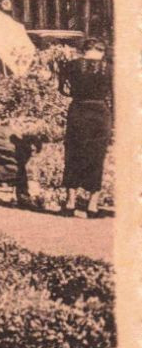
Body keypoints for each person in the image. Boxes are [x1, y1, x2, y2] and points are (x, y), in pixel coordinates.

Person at [59, 38, 112, 217]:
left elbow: (62, 89)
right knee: (97, 156)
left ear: (84, 50)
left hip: (78, 111)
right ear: (101, 51)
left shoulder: (72, 65)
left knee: (73, 154)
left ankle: (70, 203)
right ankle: (92, 206)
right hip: (100, 113)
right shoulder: (109, 68)